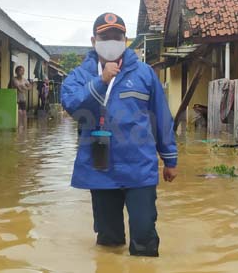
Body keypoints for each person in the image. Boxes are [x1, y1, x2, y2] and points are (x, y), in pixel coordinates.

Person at [61, 13, 178, 257]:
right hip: (100, 168)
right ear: (94, 40)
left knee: (145, 237)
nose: (112, 41)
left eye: (118, 36)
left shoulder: (145, 74)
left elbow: (162, 117)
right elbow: (73, 106)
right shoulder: (79, 77)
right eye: (106, 36)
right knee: (108, 242)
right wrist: (101, 80)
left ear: (126, 40)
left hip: (139, 167)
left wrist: (170, 160)